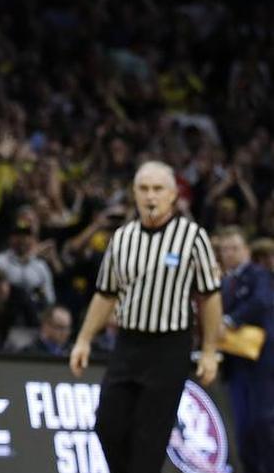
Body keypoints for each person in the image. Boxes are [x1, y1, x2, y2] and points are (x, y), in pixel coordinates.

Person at [70, 161, 223, 473]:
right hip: (128, 343)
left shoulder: (193, 237)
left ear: (173, 195)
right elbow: (106, 293)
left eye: (158, 189)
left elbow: (209, 297)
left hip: (169, 347)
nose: (150, 196)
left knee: (149, 438)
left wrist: (209, 350)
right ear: (134, 194)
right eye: (143, 189)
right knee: (108, 426)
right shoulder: (123, 238)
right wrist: (84, 339)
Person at [217, 227, 274, 473]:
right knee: (242, 425)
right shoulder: (224, 281)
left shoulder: (258, 274)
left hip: (261, 360)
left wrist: (230, 320)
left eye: (234, 248)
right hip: (235, 362)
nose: (229, 253)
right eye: (224, 249)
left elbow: (261, 301)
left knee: (263, 420)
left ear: (247, 251)